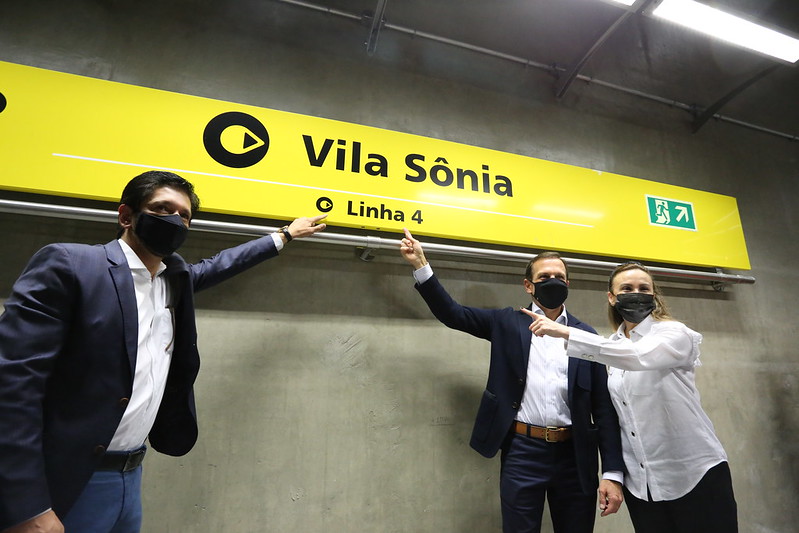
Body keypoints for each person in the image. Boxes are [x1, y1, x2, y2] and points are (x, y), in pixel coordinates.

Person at [0, 170, 327, 533]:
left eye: (184, 216)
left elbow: (222, 264)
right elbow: (12, 385)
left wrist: (285, 234)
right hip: (67, 480)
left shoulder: (175, 279)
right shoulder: (72, 265)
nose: (174, 220)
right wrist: (26, 505)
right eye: (162, 209)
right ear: (127, 216)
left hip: (130, 476)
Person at [399, 229, 625, 533]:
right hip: (523, 452)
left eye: (559, 277)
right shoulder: (506, 322)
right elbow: (453, 314)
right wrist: (420, 265)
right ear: (528, 285)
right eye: (544, 277)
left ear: (568, 284)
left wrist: (612, 472)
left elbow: (604, 408)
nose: (553, 281)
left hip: (575, 455)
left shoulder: (585, 336)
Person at [524, 261, 738, 533]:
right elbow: (617, 418)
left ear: (653, 295)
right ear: (612, 297)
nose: (636, 294)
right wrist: (613, 475)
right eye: (626, 288)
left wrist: (565, 331)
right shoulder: (612, 345)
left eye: (643, 288)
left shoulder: (674, 333)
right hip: (642, 484)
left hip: (694, 474)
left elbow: (639, 356)